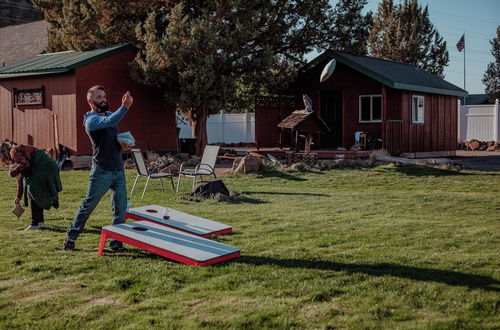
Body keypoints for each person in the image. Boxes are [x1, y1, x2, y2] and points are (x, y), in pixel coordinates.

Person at [63, 85, 133, 251]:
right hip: (102, 171)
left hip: (118, 169)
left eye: (104, 96)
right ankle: (71, 237)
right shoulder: (91, 120)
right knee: (88, 205)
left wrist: (123, 145)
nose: (103, 100)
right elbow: (110, 122)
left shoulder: (109, 114)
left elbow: (111, 133)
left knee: (120, 209)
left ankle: (116, 242)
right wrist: (125, 107)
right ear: (90, 101)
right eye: (99, 97)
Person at [0, 140, 62, 230]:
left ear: (2, 152)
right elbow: (20, 178)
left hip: (42, 166)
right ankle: (39, 221)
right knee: (35, 192)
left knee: (32, 192)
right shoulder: (16, 153)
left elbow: (24, 165)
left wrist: (13, 171)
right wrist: (18, 196)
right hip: (47, 165)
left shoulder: (13, 151)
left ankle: (35, 224)